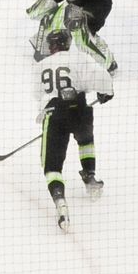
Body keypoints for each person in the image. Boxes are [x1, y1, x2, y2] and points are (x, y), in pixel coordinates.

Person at [33, 27, 113, 230]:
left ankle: (60, 202)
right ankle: (90, 176)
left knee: (52, 167)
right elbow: (101, 76)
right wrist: (106, 92)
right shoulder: (80, 58)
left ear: (51, 47)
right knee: (85, 140)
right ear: (68, 43)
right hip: (80, 110)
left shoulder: (40, 66)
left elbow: (38, 95)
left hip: (55, 115)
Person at [27, 0, 117, 70]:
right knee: (53, 20)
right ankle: (48, 47)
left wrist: (88, 15)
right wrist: (47, 1)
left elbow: (105, 2)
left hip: (95, 8)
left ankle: (109, 63)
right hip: (74, 7)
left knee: (83, 38)